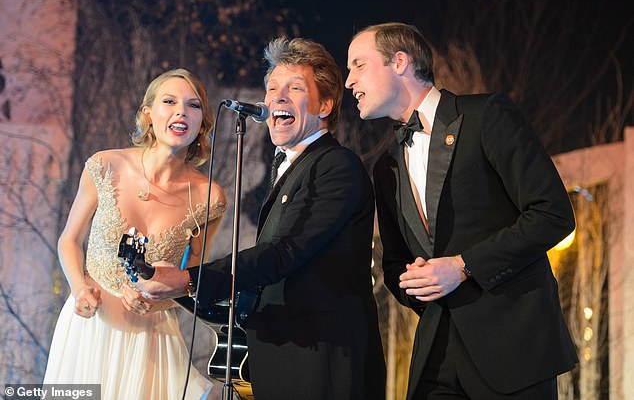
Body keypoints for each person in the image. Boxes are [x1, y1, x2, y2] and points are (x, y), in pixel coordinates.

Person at [136, 37, 386, 400]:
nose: (277, 98)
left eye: (295, 88)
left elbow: (283, 253)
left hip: (323, 365)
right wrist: (182, 287)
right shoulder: (291, 166)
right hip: (287, 361)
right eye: (272, 88)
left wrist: (190, 278)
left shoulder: (336, 166)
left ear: (326, 104)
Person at [345, 22, 578, 399]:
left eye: (358, 65)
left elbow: (552, 213)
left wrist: (462, 266)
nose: (348, 81)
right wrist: (417, 285)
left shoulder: (487, 116)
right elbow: (394, 265)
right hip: (437, 354)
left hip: (512, 347)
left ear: (400, 61)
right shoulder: (384, 167)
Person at [43, 68, 226, 399]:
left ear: (203, 124)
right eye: (169, 101)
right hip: (91, 327)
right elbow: (69, 240)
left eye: (193, 105)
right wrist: (80, 288)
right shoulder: (105, 165)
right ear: (148, 114)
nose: (181, 111)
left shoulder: (208, 197)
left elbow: (190, 279)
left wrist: (156, 303)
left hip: (151, 335)